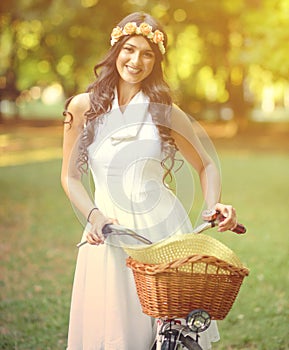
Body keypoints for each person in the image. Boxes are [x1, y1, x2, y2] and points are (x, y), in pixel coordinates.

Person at [61, 11, 238, 350]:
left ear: (156, 61)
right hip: (108, 233)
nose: (136, 60)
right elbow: (69, 177)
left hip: (163, 231)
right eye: (129, 49)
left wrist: (213, 204)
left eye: (147, 53)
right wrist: (95, 216)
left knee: (168, 334)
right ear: (116, 51)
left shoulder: (165, 111)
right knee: (114, 329)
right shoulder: (82, 107)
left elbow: (206, 165)